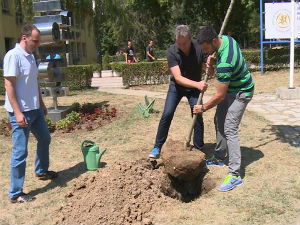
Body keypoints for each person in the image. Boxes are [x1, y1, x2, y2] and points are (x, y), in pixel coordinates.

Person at [194, 26, 254, 192]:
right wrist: (212, 59)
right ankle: (220, 156)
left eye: (207, 50)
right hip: (232, 89)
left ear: (214, 41)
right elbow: (215, 62)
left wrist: (203, 107)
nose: (206, 53)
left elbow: (220, 95)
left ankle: (235, 175)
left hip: (242, 92)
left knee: (230, 128)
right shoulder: (225, 39)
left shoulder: (226, 62)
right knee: (219, 119)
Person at [3, 24, 58, 203]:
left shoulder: (31, 56)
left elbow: (33, 82)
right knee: (20, 152)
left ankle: (41, 170)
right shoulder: (13, 56)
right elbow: (9, 85)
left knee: (45, 138)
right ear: (25, 38)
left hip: (35, 110)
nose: (37, 44)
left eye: (38, 41)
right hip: (21, 112)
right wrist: (17, 113)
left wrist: (41, 103)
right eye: (35, 41)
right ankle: (16, 193)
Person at [148, 25, 208, 159]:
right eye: (178, 43)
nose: (181, 46)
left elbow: (209, 63)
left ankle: (199, 149)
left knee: (197, 114)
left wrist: (210, 64)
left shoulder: (199, 46)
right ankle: (157, 146)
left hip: (194, 89)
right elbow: (179, 78)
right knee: (167, 113)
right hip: (177, 87)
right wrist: (198, 84)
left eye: (184, 43)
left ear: (190, 39)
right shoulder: (171, 51)